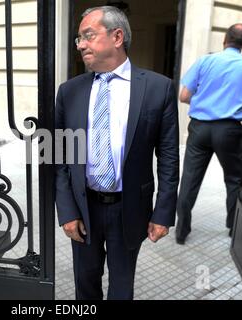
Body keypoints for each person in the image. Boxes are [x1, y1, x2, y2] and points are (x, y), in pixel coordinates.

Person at [55, 6, 179, 300]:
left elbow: (169, 157)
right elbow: (59, 156)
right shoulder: (69, 91)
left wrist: (163, 212)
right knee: (85, 284)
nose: (81, 44)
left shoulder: (157, 89)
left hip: (130, 207)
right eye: (78, 39)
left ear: (117, 36)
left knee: (122, 287)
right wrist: (67, 211)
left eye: (88, 35)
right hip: (84, 208)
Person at [175, 24, 242, 245]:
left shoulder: (205, 61)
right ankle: (233, 227)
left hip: (200, 128)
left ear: (225, 39)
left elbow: (183, 96)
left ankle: (181, 231)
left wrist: (203, 101)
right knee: (234, 180)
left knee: (190, 178)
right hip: (230, 130)